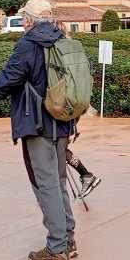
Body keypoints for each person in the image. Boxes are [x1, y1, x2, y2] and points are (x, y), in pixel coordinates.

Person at [0, 0, 77, 260]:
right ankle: (68, 239)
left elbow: (4, 82)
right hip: (63, 123)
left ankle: (57, 248)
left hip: (38, 125)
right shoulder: (63, 39)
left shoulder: (28, 44)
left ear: (27, 20)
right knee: (58, 182)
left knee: (45, 184)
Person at [51, 19, 102, 199]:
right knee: (60, 148)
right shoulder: (76, 52)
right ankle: (84, 176)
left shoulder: (57, 54)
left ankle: (86, 176)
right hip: (76, 106)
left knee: (59, 149)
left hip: (63, 107)